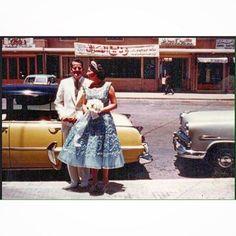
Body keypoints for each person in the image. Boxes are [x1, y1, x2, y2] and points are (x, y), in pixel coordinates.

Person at [58, 60, 124, 194]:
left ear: (96, 72)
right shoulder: (88, 87)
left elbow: (114, 104)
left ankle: (105, 181)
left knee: (104, 151)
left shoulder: (108, 86)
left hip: (104, 122)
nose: (87, 72)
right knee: (92, 152)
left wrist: (101, 110)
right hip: (91, 122)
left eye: (89, 70)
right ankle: (93, 181)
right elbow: (83, 103)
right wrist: (88, 109)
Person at [54, 57, 92, 189]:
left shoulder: (88, 83)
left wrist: (81, 117)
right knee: (69, 152)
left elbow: (90, 104)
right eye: (74, 68)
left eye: (79, 68)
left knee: (83, 151)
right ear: (71, 69)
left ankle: (85, 180)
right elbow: (58, 102)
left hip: (83, 123)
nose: (76, 70)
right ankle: (74, 181)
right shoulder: (64, 83)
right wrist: (63, 116)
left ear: (82, 69)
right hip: (67, 123)